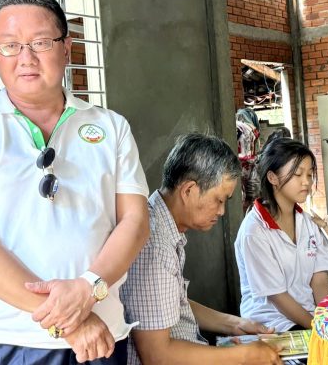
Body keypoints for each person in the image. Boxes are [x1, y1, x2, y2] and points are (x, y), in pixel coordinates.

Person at [0, 0, 150, 363]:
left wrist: (89, 288)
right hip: (8, 341)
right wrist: (70, 322)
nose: (26, 58)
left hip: (101, 336)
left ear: (66, 48)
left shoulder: (111, 127)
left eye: (41, 42)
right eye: (10, 46)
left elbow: (135, 221)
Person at [120, 133, 281, 365]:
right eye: (219, 200)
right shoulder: (155, 247)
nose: (222, 211)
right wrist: (245, 355)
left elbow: (172, 304)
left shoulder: (164, 227)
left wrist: (236, 324)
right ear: (189, 191)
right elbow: (157, 356)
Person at [235, 138, 328, 332]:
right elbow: (278, 297)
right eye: (297, 174)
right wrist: (318, 329)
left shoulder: (308, 223)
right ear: (272, 178)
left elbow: (319, 281)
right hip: (272, 324)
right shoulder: (254, 231)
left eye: (310, 174)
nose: (306, 182)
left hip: (310, 318)